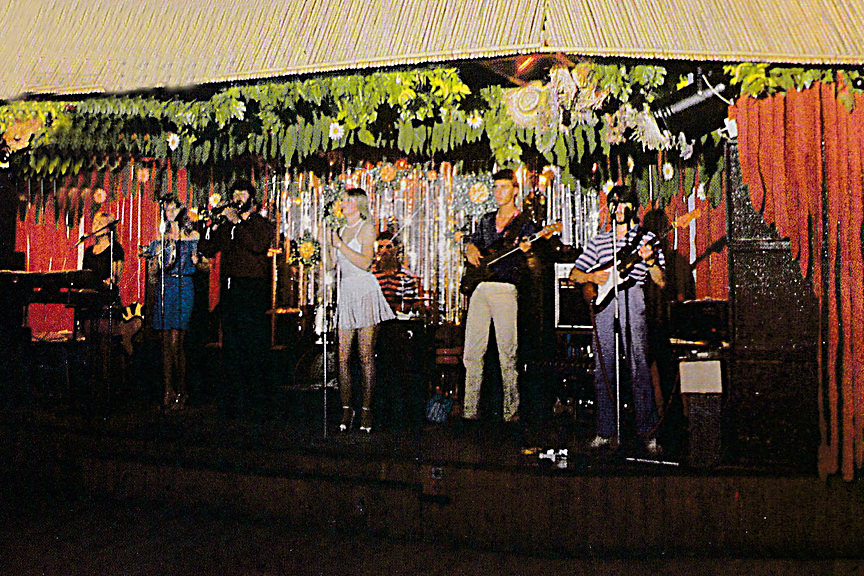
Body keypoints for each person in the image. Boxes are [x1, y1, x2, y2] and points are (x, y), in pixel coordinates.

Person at [568, 185, 666, 456]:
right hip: (604, 304)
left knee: (639, 365)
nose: (619, 209)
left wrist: (650, 262)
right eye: (614, 204)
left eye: (624, 204)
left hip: (633, 297)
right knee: (603, 367)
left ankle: (648, 433)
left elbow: (660, 280)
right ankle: (605, 431)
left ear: (633, 208)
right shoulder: (600, 240)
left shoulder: (646, 238)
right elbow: (575, 274)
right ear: (609, 208)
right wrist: (592, 277)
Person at [461, 169, 538, 424]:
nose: (498, 192)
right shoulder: (486, 220)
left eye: (504, 187)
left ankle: (511, 412)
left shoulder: (525, 223)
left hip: (506, 287)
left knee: (508, 351)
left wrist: (527, 251)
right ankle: (469, 410)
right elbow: (472, 242)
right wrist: (470, 248)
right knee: (472, 351)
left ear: (515, 190)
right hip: (481, 287)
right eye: (495, 187)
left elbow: (536, 261)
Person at [197, 179, 275, 420]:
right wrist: (209, 224)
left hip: (251, 289)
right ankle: (231, 401)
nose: (238, 197)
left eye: (243, 193)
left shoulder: (260, 224)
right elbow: (207, 248)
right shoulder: (227, 224)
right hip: (230, 289)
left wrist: (238, 222)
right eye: (235, 193)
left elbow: (257, 245)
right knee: (231, 346)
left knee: (252, 345)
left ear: (252, 198)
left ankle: (256, 402)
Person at [324, 188, 394, 433]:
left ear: (358, 204)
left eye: (347, 201)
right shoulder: (340, 230)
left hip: (364, 291)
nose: (343, 204)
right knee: (342, 356)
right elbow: (330, 265)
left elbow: (365, 263)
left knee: (365, 355)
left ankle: (366, 409)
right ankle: (346, 407)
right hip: (346, 292)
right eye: (343, 200)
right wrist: (328, 242)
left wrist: (340, 245)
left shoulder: (366, 227)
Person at [143, 197, 200, 411]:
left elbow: (203, 266)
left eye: (172, 208)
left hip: (184, 286)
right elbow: (152, 273)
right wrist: (153, 265)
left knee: (178, 341)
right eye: (165, 208)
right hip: (166, 287)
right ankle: (168, 390)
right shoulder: (160, 239)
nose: (169, 211)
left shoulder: (191, 237)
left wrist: (197, 261)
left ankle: (182, 389)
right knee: (166, 341)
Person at [372, 230, 420, 315]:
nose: (384, 251)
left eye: (388, 247)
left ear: (396, 249)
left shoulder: (406, 276)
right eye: (380, 247)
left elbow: (409, 303)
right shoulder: (369, 275)